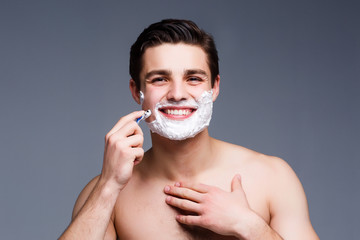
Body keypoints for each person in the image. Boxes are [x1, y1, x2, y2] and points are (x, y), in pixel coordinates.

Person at [59, 19, 319, 240]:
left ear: (214, 87)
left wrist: (250, 226)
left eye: (193, 78)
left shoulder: (272, 177)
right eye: (160, 79)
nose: (177, 94)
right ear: (136, 91)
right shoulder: (110, 193)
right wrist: (109, 185)